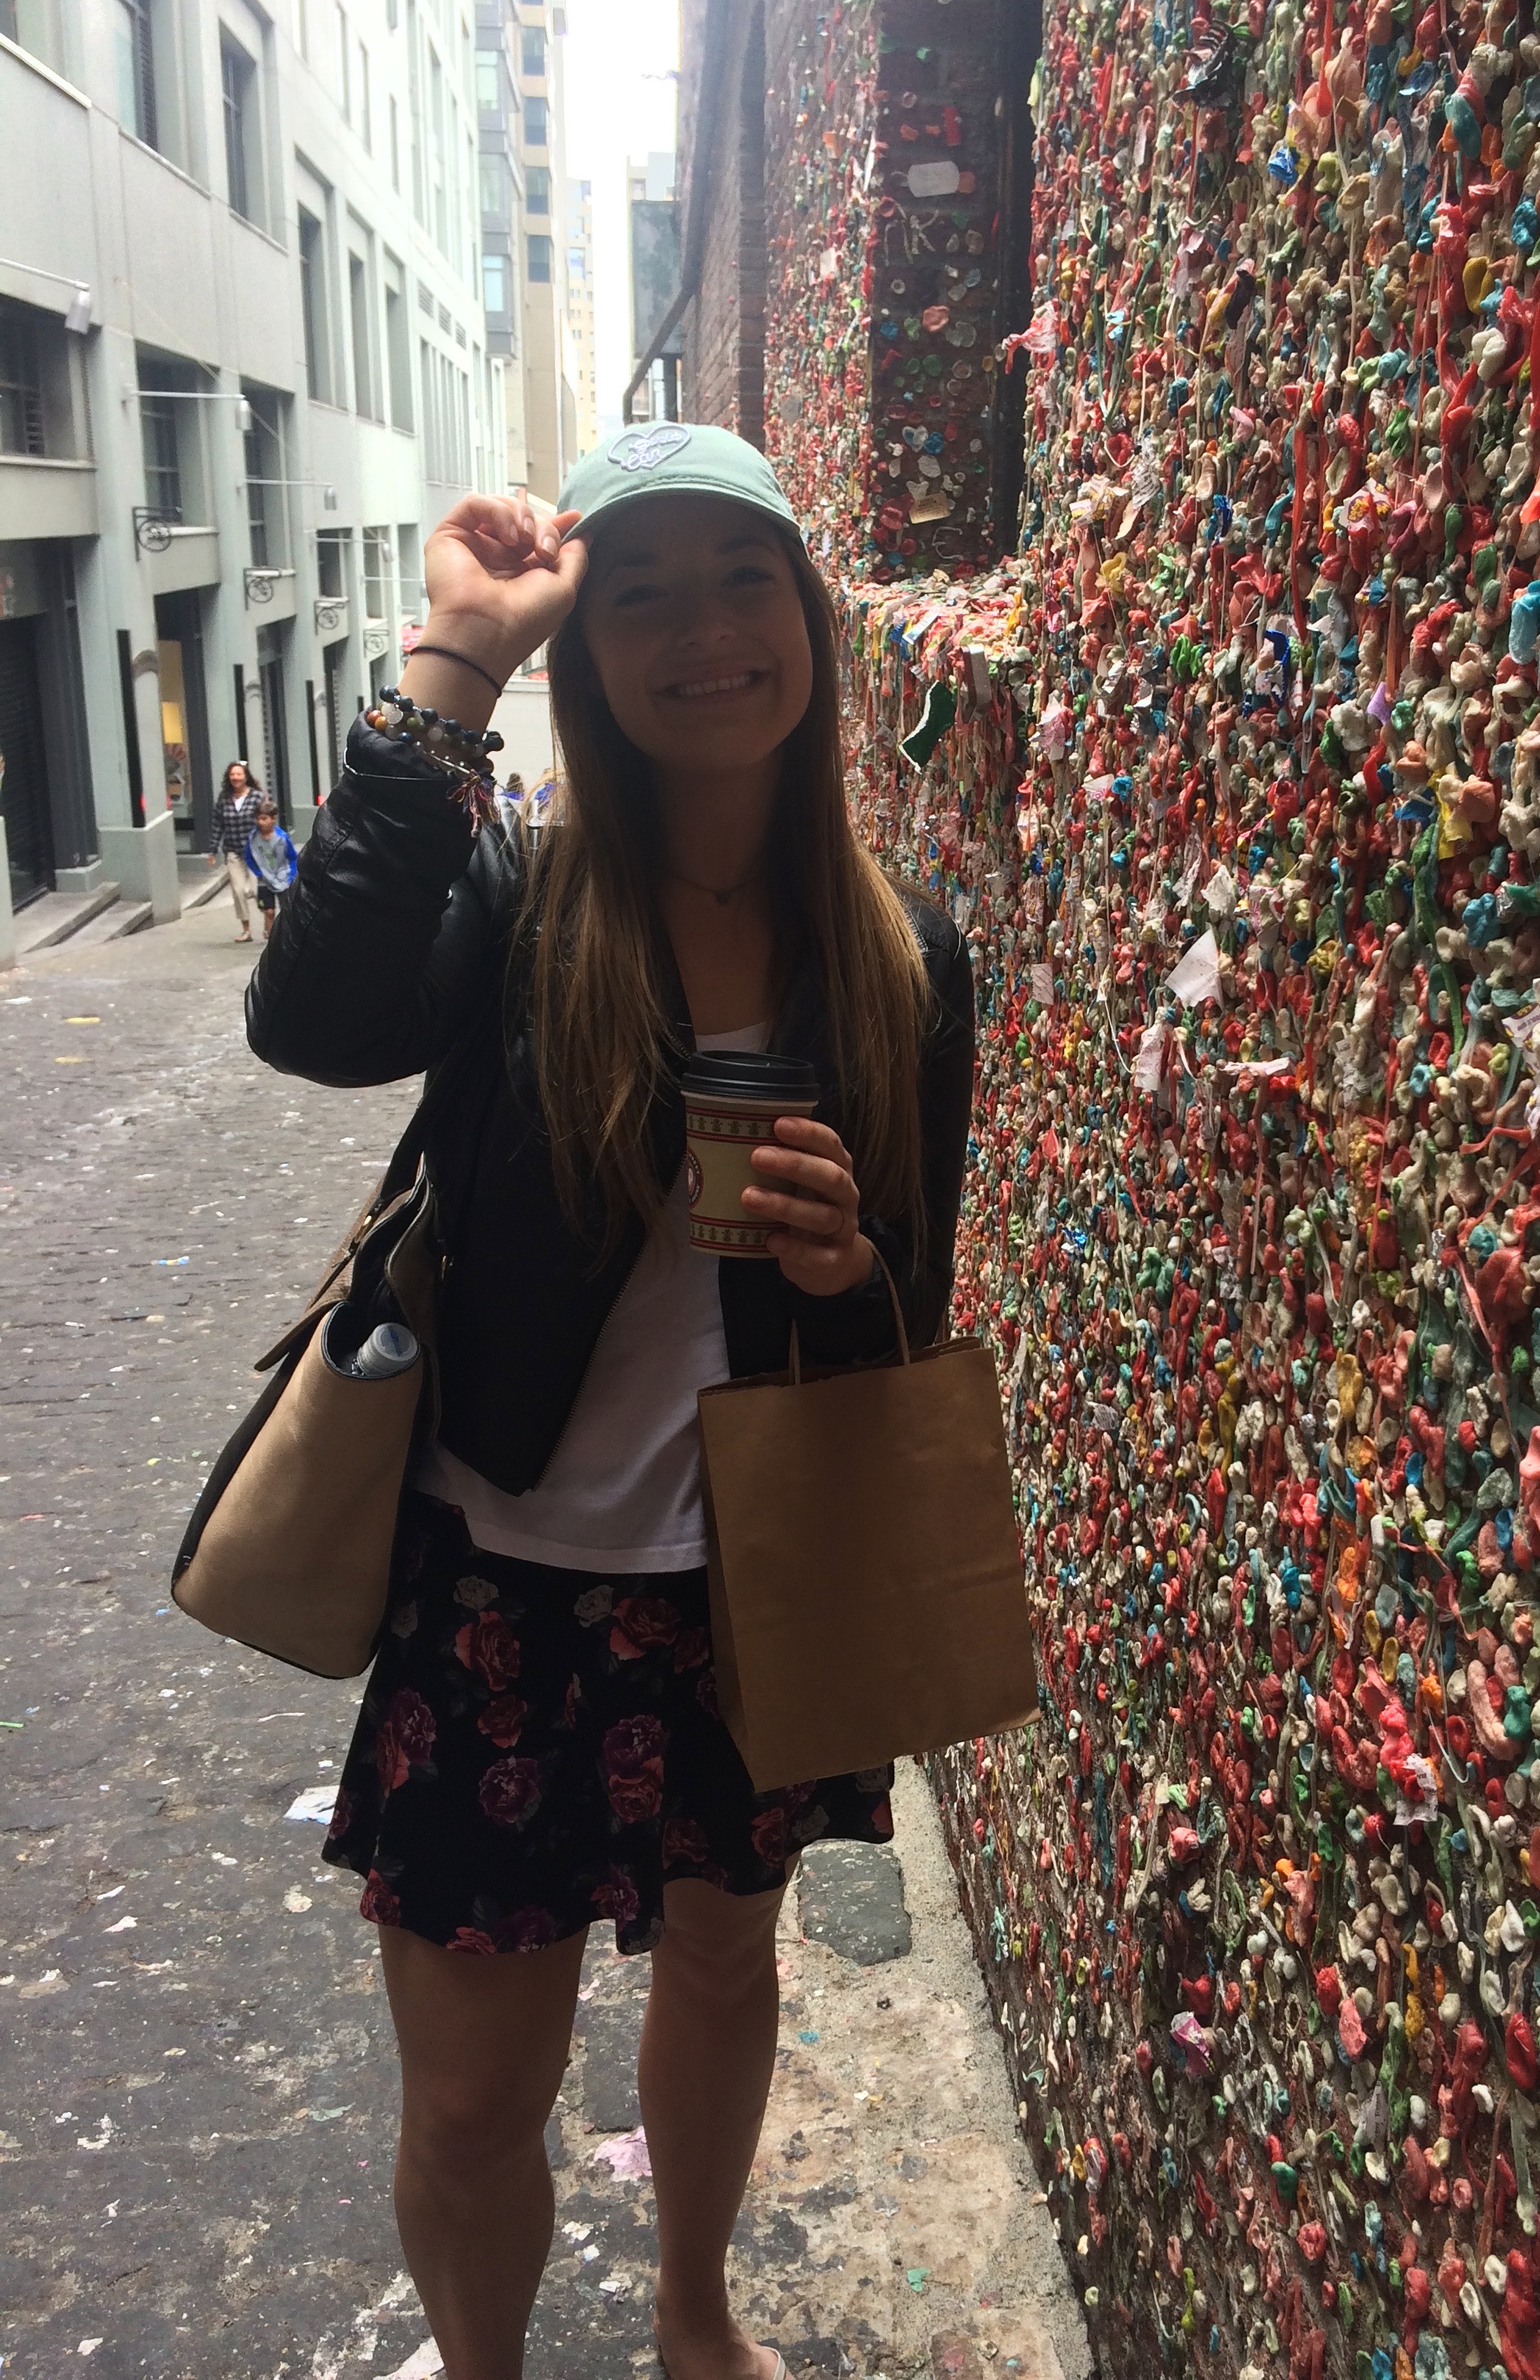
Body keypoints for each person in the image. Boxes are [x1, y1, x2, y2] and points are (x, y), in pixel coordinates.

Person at [245, 425, 975, 2380]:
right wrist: (454, 664)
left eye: (741, 581)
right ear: (591, 654)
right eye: (637, 592)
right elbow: (308, 1021)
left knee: (724, 1959)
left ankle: (692, 2309)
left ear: (808, 623)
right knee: (476, 2099)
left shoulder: (905, 964)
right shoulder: (513, 906)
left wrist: (853, 1272)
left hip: (744, 1588)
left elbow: (918, 1298)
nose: (700, 632)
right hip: (494, 1576)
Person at [208, 760, 264, 941]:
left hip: (255, 851)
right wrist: (212, 849)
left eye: (239, 774)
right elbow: (218, 825)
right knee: (238, 890)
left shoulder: (257, 797)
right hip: (232, 851)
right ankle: (246, 929)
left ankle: (269, 922)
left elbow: (268, 821)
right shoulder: (224, 799)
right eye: (233, 774)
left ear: (245, 776)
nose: (236, 778)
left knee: (257, 891)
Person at [242, 795, 298, 936]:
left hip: (283, 877)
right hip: (264, 880)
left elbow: (292, 857)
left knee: (286, 909)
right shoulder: (253, 839)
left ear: (273, 819)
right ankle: (270, 935)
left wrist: (291, 876)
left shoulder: (282, 838)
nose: (261, 823)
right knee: (269, 911)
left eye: (264, 819)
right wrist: (258, 872)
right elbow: (248, 857)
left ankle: (286, 935)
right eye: (258, 819)